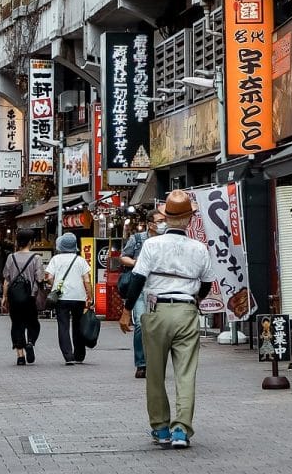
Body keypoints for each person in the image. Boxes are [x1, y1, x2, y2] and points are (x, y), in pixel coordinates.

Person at [119, 190, 214, 449]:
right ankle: (182, 430)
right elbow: (206, 283)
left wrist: (127, 310)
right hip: (186, 311)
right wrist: (194, 299)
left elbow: (137, 279)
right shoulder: (199, 249)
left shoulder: (151, 245)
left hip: (156, 311)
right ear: (190, 219)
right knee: (185, 373)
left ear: (165, 218)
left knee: (155, 374)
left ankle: (161, 428)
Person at [120, 210, 162, 378]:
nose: (163, 224)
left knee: (159, 327)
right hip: (140, 288)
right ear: (150, 223)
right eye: (160, 220)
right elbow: (124, 257)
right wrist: (138, 263)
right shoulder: (137, 239)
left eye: (164, 220)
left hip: (160, 288)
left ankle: (157, 363)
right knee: (140, 323)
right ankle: (141, 363)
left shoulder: (166, 240)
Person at [45, 232, 93, 366]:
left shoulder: (56, 259)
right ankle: (79, 354)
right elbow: (87, 280)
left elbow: (48, 277)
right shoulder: (80, 260)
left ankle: (68, 356)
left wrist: (54, 285)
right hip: (79, 297)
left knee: (63, 325)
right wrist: (90, 295)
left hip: (61, 297)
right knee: (78, 325)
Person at [1, 229, 46, 365]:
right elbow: (40, 278)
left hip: (14, 298)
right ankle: (30, 343)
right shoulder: (36, 258)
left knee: (17, 325)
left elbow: (7, 280)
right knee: (33, 323)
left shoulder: (11, 257)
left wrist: (4, 297)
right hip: (30, 297)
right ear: (31, 242)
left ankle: (20, 356)